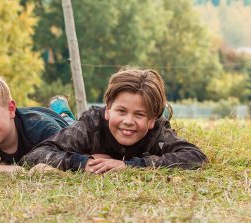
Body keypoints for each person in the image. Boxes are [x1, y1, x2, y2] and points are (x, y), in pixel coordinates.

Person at [23, 67, 207, 173]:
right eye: (121, 110)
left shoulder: (156, 130)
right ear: (108, 108)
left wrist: (130, 165)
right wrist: (82, 162)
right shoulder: (91, 124)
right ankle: (61, 110)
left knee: (160, 116)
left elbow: (196, 157)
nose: (128, 121)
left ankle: (162, 111)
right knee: (68, 123)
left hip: (155, 119)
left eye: (139, 114)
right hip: (79, 126)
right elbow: (33, 156)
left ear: (151, 120)